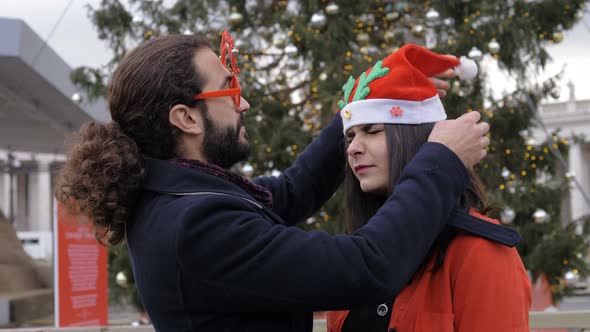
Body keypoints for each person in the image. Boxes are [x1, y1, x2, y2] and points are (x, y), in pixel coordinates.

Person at [55, 33, 491, 332]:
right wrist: (441, 159)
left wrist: (371, 94)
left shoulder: (183, 194)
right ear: (185, 118)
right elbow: (366, 266)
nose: (242, 102)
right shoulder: (194, 221)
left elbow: (292, 191)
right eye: (227, 89)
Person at [327, 44, 531, 332]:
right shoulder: (356, 250)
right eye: (349, 137)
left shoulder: (480, 252)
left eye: (372, 131)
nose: (354, 149)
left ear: (417, 140)